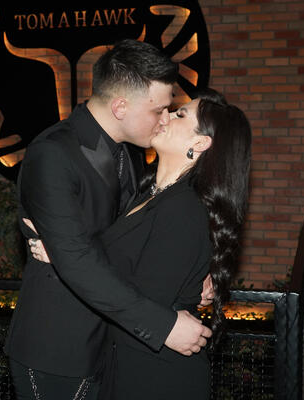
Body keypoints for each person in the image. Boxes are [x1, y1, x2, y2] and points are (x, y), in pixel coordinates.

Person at [5, 39, 212, 399]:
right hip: (58, 351)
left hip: (110, 345)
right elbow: (78, 261)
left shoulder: (129, 154)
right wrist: (163, 326)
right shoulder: (52, 154)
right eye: (159, 110)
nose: (165, 118)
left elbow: (127, 243)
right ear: (120, 107)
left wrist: (196, 279)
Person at [28, 88, 252, 398]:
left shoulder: (184, 208)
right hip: (129, 363)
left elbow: (140, 299)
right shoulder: (147, 193)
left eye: (180, 114)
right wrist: (68, 249)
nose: (166, 116)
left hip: (157, 374)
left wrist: (67, 256)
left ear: (200, 143)